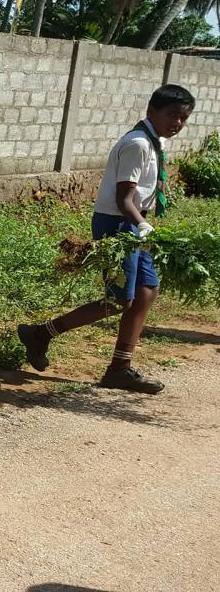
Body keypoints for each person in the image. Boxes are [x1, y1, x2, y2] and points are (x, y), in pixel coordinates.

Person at [17, 84, 195, 394]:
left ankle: (120, 368)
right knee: (118, 300)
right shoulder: (138, 143)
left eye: (183, 118)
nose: (177, 123)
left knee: (147, 291)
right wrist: (141, 225)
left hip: (134, 224)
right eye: (172, 115)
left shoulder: (154, 142)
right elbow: (125, 198)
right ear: (151, 110)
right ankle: (40, 333)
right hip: (119, 225)